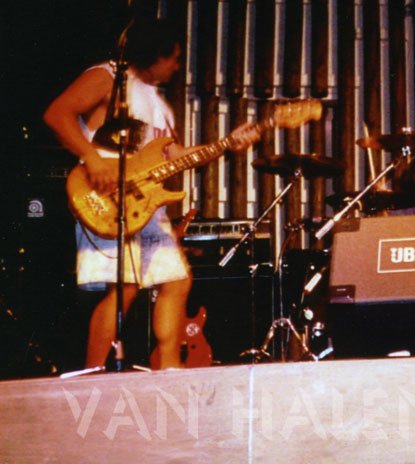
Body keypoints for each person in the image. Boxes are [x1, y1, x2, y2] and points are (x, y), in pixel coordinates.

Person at [43, 18, 259, 370]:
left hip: (145, 204)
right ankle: (92, 375)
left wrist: (226, 145)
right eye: (172, 58)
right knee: (124, 288)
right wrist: (92, 157)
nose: (177, 65)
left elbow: (173, 156)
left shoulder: (157, 104)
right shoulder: (107, 77)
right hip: (106, 194)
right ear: (152, 54)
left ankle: (170, 370)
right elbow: (57, 113)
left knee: (176, 280)